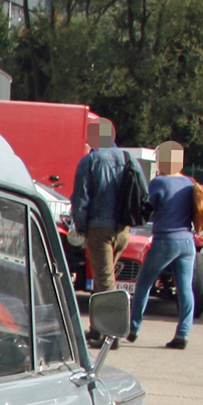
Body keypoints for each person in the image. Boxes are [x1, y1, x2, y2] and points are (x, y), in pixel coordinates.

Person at [127, 141, 200, 349]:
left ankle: (133, 328)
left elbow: (148, 209)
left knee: (144, 283)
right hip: (187, 240)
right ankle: (183, 333)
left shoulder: (159, 182)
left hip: (165, 239)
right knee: (185, 288)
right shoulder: (189, 182)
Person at [71, 118, 132, 316]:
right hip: (123, 229)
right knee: (102, 277)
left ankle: (111, 331)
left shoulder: (90, 160)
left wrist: (80, 226)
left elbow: (81, 197)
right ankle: (98, 328)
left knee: (105, 282)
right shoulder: (127, 158)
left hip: (99, 228)